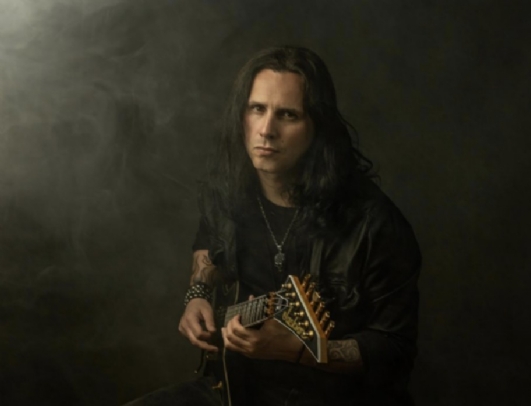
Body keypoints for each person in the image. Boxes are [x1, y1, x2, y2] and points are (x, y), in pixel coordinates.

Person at [125, 45, 420, 406]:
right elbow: (209, 242)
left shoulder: (374, 225)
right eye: (257, 109)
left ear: (317, 127)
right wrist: (197, 294)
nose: (266, 130)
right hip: (234, 390)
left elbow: (394, 349)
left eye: (288, 115)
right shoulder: (228, 192)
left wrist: (297, 351)